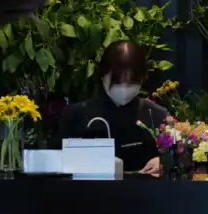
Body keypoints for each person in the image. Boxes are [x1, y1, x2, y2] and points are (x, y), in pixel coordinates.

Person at [59, 40, 170, 175]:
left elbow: (179, 159)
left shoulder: (156, 115)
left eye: (132, 82)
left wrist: (165, 162)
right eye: (118, 81)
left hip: (144, 193)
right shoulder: (77, 115)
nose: (124, 88)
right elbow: (59, 163)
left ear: (142, 79)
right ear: (103, 76)